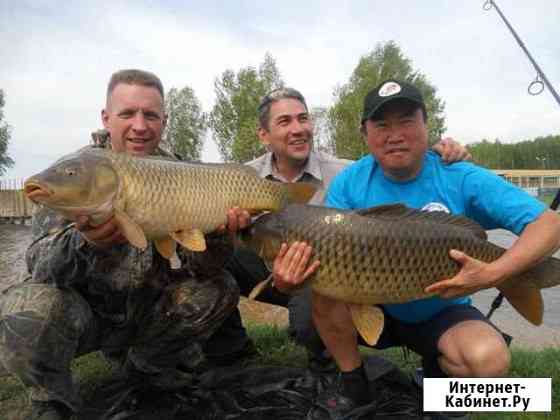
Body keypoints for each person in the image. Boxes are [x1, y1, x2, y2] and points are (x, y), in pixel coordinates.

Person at [269, 79, 560, 419]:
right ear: (366, 133)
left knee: (492, 365)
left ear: (426, 125)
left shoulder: (459, 174)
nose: (395, 134)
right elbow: (326, 247)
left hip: (441, 310)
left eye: (406, 120)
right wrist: (287, 279)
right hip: (370, 304)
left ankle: (437, 390)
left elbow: (550, 224)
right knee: (316, 295)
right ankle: (355, 385)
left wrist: (495, 272)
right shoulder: (351, 180)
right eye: (382, 124)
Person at [0, 69, 240, 420]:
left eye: (151, 115)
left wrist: (219, 235)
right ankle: (51, 401)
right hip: (86, 316)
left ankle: (148, 370)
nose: (140, 126)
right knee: (25, 306)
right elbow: (40, 266)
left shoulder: (182, 173)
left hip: (149, 313)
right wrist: (85, 242)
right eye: (128, 114)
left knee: (219, 287)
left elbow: (202, 267)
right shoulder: (76, 173)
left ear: (164, 121)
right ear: (106, 118)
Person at [205, 86, 472, 371]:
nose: (298, 129)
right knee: (207, 261)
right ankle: (232, 356)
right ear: (264, 135)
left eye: (303, 119)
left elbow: (396, 178)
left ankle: (333, 368)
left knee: (310, 314)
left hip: (327, 271)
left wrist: (436, 153)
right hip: (268, 265)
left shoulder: (346, 173)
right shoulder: (240, 179)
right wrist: (224, 229)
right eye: (285, 122)